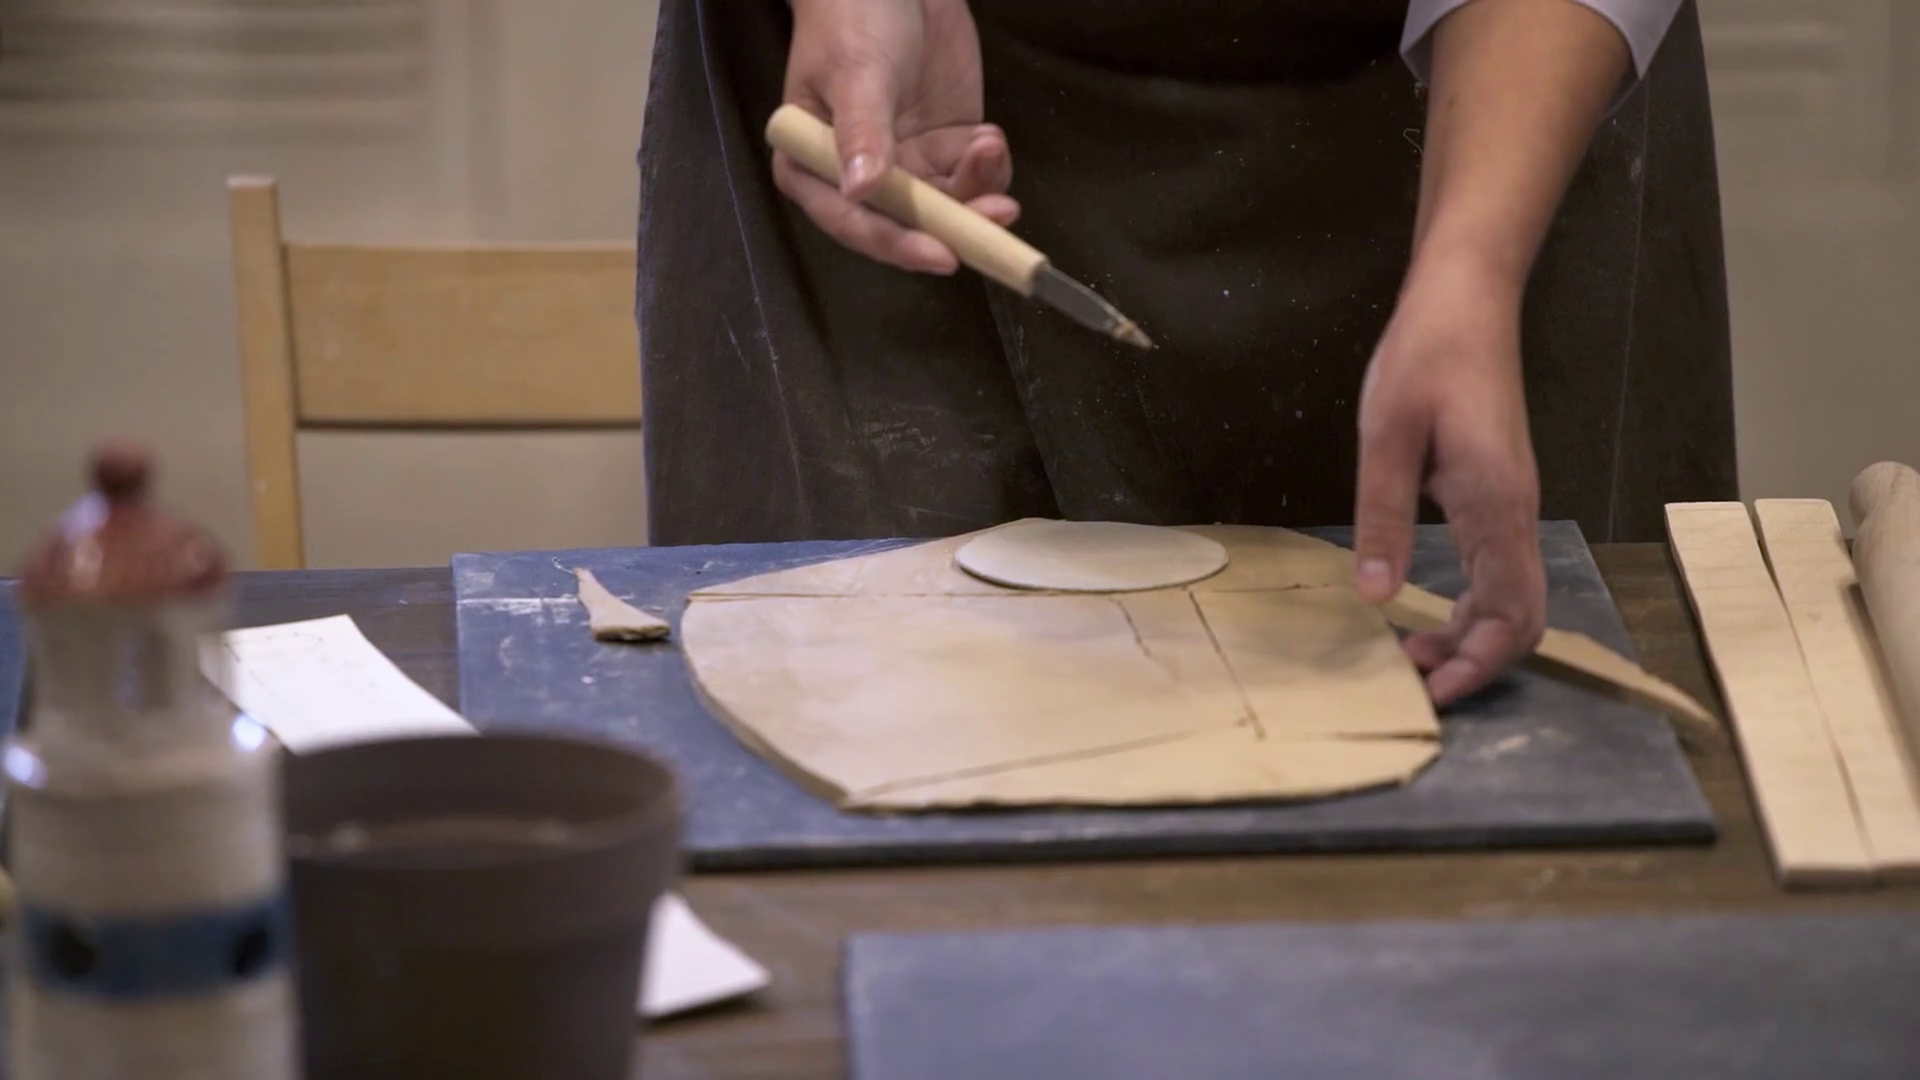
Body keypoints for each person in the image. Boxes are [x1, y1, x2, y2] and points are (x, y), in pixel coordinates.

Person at [635, 0, 1737, 704]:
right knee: (865, 736)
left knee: (1528, 791)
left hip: (1507, 81)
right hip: (897, 79)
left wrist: (1473, 265)